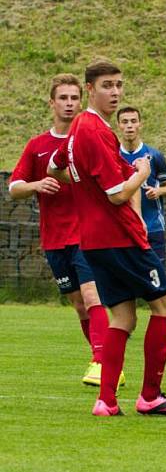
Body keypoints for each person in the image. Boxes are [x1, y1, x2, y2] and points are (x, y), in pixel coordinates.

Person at [48, 59, 166, 417]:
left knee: (122, 319)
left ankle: (106, 401)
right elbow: (116, 194)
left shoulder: (77, 129)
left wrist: (91, 187)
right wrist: (141, 173)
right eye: (107, 86)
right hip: (120, 237)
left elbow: (55, 168)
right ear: (90, 90)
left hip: (93, 240)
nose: (115, 92)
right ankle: (150, 396)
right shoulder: (96, 131)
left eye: (119, 85)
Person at [8, 73, 122, 388]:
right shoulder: (38, 145)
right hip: (54, 237)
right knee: (78, 304)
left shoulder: (87, 138)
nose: (69, 104)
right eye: (63, 98)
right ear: (52, 103)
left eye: (74, 98)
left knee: (91, 294)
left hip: (87, 232)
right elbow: (14, 187)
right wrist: (36, 184)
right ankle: (104, 358)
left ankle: (102, 363)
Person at [117, 106, 166, 342]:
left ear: (140, 124)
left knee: (158, 274)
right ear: (119, 126)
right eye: (125, 121)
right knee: (124, 276)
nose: (130, 125)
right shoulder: (114, 155)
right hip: (124, 228)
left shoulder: (154, 155)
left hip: (152, 227)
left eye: (133, 121)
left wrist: (158, 190)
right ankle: (126, 324)